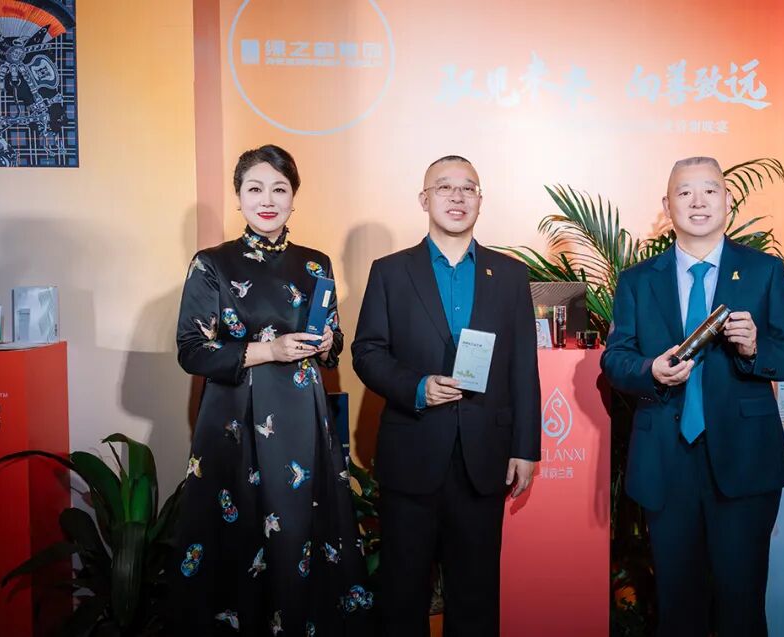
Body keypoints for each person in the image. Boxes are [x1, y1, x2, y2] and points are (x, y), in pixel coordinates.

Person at [601, 156, 784, 636]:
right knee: (678, 606)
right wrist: (651, 371)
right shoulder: (638, 280)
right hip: (666, 459)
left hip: (745, 460)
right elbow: (615, 360)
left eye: (710, 191)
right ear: (667, 205)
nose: (698, 202)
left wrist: (756, 349)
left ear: (727, 200)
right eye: (685, 193)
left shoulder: (763, 271)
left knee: (742, 605)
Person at [172, 144, 372, 635]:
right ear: (239, 197)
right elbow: (192, 351)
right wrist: (269, 350)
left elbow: (332, 346)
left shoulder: (316, 263)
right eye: (255, 189)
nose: (267, 200)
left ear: (293, 198)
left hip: (302, 420)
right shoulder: (211, 264)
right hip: (233, 419)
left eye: (279, 189)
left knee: (298, 530)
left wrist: (327, 342)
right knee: (238, 533)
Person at [351, 155, 540, 636]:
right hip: (411, 451)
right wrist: (417, 386)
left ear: (480, 200)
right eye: (444, 187)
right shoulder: (390, 271)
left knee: (476, 594)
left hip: (484, 456)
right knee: (403, 591)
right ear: (424, 199)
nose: (457, 197)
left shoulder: (510, 275)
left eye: (468, 188)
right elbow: (367, 353)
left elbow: (523, 366)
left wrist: (525, 448)